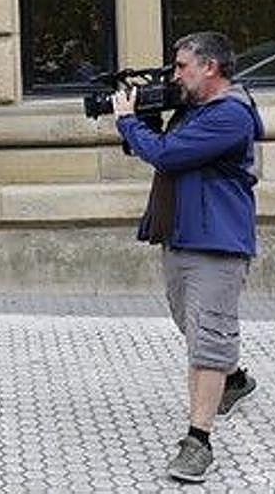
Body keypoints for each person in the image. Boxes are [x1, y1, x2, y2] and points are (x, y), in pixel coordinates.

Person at [112, 31, 265, 483]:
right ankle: (233, 380)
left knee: (207, 338)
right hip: (181, 235)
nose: (175, 75)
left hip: (216, 243)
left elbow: (169, 155)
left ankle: (198, 442)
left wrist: (127, 121)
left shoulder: (231, 114)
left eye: (181, 67)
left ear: (210, 67)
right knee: (194, 325)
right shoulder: (193, 111)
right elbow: (159, 149)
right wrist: (143, 116)